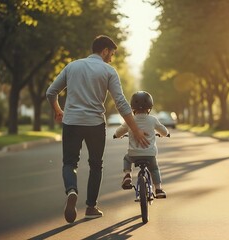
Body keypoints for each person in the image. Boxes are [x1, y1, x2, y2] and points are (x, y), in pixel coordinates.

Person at [46, 35, 149, 223]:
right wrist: (135, 129)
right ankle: (91, 207)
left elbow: (51, 92)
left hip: (72, 122)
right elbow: (121, 103)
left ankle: (71, 190)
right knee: (95, 164)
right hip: (95, 124)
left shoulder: (72, 66)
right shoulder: (108, 71)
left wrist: (58, 110)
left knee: (70, 163)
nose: (112, 58)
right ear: (104, 51)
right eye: (111, 54)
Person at [113, 91, 169, 198]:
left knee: (126, 158)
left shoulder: (130, 121)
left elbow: (119, 131)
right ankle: (158, 189)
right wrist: (165, 134)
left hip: (133, 154)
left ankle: (127, 175)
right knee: (154, 169)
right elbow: (163, 130)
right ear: (149, 107)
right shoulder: (152, 120)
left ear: (133, 107)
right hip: (150, 154)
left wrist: (116, 135)